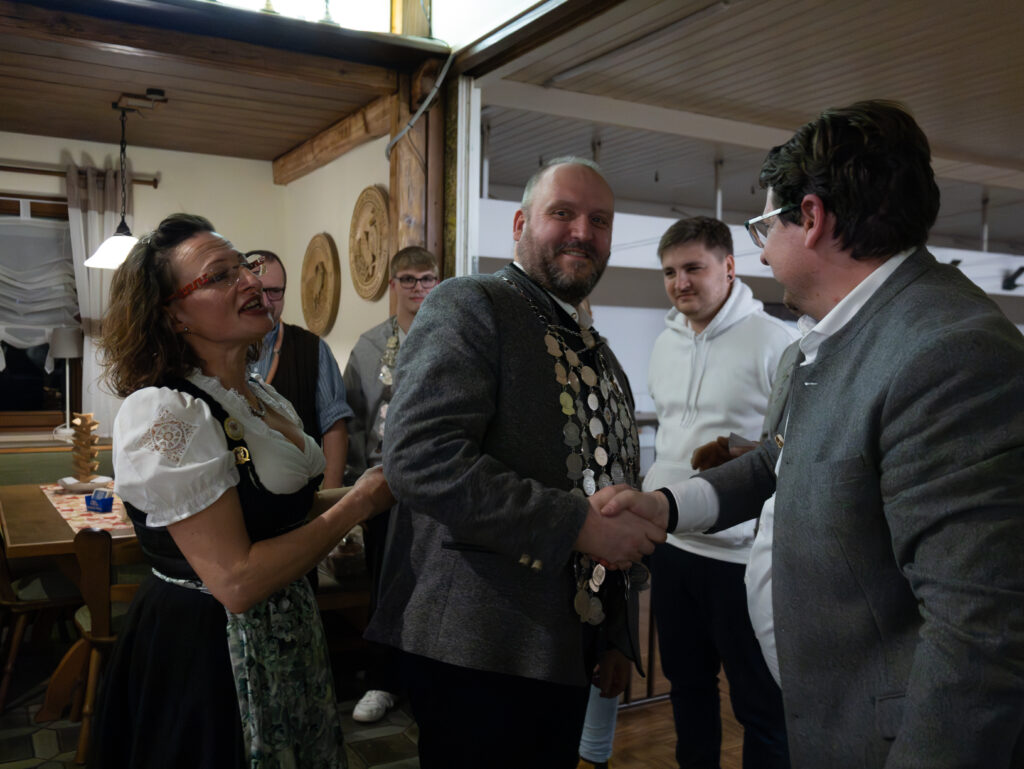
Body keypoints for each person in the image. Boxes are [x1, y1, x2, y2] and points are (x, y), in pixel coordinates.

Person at [600, 101, 1024, 768]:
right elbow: (777, 460)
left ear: (813, 217)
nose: (763, 248)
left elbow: (983, 636)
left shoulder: (949, 353)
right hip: (825, 709)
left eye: (765, 226)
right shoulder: (823, 340)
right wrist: (666, 505)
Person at [365, 157, 667, 768]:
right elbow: (420, 457)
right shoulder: (471, 303)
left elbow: (606, 481)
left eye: (600, 220)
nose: (583, 232)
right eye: (563, 213)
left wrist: (613, 633)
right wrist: (576, 525)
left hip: (566, 647)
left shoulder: (598, 352)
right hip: (476, 645)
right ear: (521, 224)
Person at [92, 213, 394, 768]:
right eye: (220, 275)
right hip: (213, 652)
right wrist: (357, 504)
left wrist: (378, 485)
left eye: (245, 266)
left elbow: (281, 510)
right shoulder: (165, 413)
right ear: (173, 314)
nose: (251, 282)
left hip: (287, 629)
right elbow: (235, 581)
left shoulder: (258, 397)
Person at [579, 217, 796, 769]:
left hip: (743, 558)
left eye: (693, 268)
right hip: (671, 547)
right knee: (686, 686)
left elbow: (793, 449)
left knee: (760, 706)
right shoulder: (665, 343)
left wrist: (741, 453)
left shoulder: (778, 342)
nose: (680, 283)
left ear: (729, 267)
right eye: (670, 272)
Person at [342, 245, 439, 723]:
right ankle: (382, 681)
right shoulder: (369, 346)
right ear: (393, 285)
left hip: (439, 488)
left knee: (432, 588)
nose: (418, 288)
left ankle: (426, 684)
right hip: (383, 486)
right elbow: (353, 420)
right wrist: (354, 491)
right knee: (384, 586)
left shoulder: (452, 336)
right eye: (409, 280)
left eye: (427, 279)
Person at [249, 249, 353, 489]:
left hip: (302, 492)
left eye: (275, 291)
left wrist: (329, 496)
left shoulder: (312, 348)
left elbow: (334, 427)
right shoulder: (219, 349)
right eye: (258, 290)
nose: (266, 301)